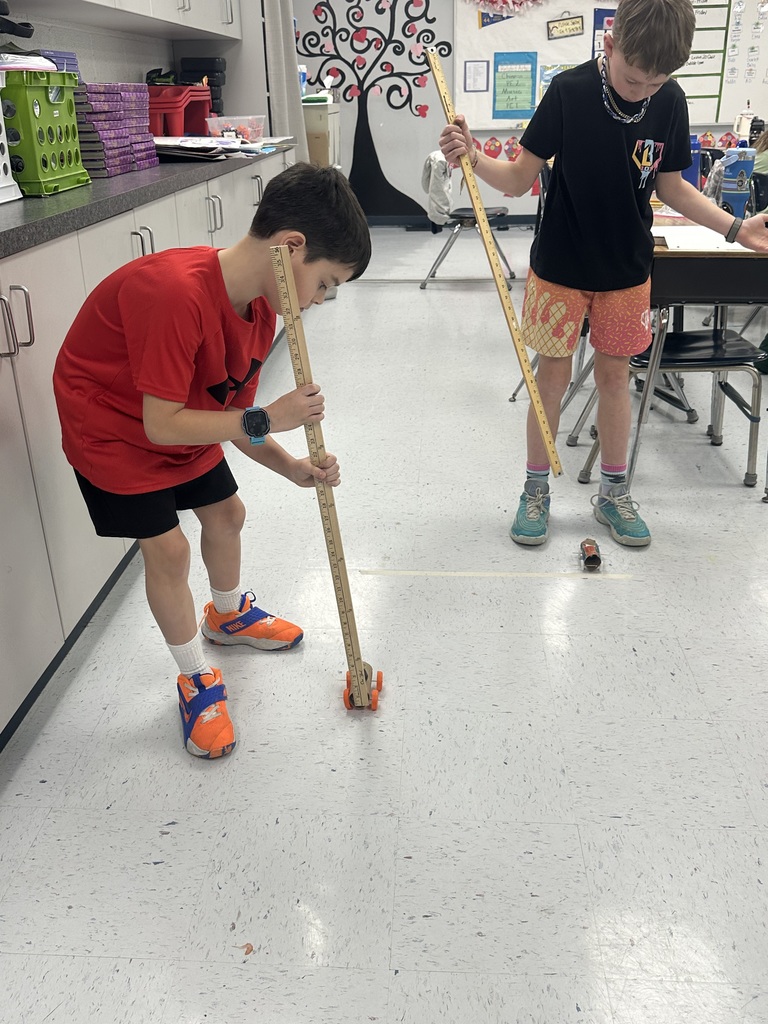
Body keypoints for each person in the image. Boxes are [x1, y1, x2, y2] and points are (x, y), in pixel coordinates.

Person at [53, 162, 371, 760]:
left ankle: (225, 617)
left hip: (180, 414)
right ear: (291, 248)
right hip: (114, 426)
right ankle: (193, 678)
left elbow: (237, 418)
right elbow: (161, 424)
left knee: (227, 514)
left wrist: (294, 468)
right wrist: (270, 419)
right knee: (168, 549)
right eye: (326, 282)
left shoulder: (259, 311)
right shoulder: (174, 293)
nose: (323, 299)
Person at [439, 0, 768, 548]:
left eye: (657, 81)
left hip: (627, 270)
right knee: (553, 377)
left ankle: (614, 493)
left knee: (617, 378)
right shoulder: (568, 92)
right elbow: (519, 179)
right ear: (609, 44)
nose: (644, 90)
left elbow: (671, 186)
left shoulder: (670, 99)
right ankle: (535, 489)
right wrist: (471, 156)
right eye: (634, 78)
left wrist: (736, 229)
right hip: (560, 268)